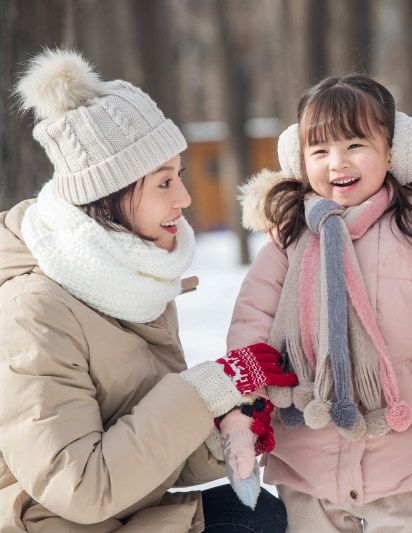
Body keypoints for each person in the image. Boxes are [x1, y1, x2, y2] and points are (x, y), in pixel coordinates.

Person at [0, 49, 294, 532]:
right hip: (55, 523)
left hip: (122, 513)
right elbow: (82, 488)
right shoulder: (34, 311)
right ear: (107, 196)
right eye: (164, 182)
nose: (184, 197)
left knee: (259, 512)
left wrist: (222, 434)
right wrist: (200, 393)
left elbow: (143, 451)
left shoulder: (129, 279)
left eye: (178, 175)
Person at [221, 74, 412, 532]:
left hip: (403, 455)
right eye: (320, 150)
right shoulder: (288, 238)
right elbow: (252, 322)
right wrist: (243, 408)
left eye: (355, 145)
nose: (337, 163)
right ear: (300, 160)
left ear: (392, 151)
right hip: (308, 456)